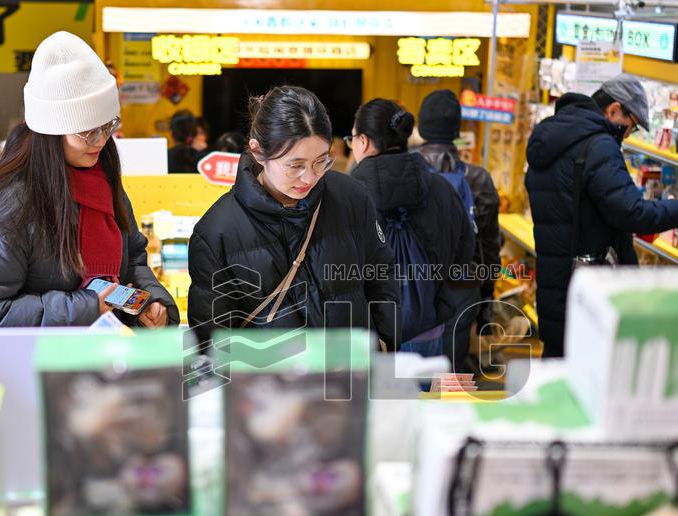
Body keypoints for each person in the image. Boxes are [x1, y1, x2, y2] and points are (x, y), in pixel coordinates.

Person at [0, 31, 178, 328]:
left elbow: (132, 257)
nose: (100, 141)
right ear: (51, 132)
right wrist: (84, 307)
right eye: (87, 132)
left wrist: (150, 299)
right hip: (34, 366)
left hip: (97, 358)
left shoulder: (102, 180)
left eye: (108, 126)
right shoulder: (6, 204)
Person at [187, 85, 400, 349]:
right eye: (295, 165)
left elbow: (382, 273)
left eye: (320, 161)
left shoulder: (352, 197)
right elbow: (213, 340)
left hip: (353, 379)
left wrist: (384, 342)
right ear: (257, 151)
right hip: (273, 386)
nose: (309, 177)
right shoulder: (216, 232)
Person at [525, 74, 678, 358]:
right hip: (587, 286)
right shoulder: (599, 146)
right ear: (614, 110)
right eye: (631, 127)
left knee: (559, 362)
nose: (626, 135)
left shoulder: (550, 137)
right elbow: (630, 212)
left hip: (555, 278)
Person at [349, 98, 474, 358]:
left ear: (364, 142)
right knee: (421, 399)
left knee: (368, 400)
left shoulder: (345, 194)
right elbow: (463, 257)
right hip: (427, 332)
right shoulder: (443, 189)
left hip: (365, 334)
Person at [417, 89, 501, 372]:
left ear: (422, 126)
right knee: (453, 370)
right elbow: (489, 248)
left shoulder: (402, 174)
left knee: (415, 373)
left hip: (415, 287)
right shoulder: (478, 179)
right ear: (456, 129)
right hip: (463, 287)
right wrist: (487, 302)